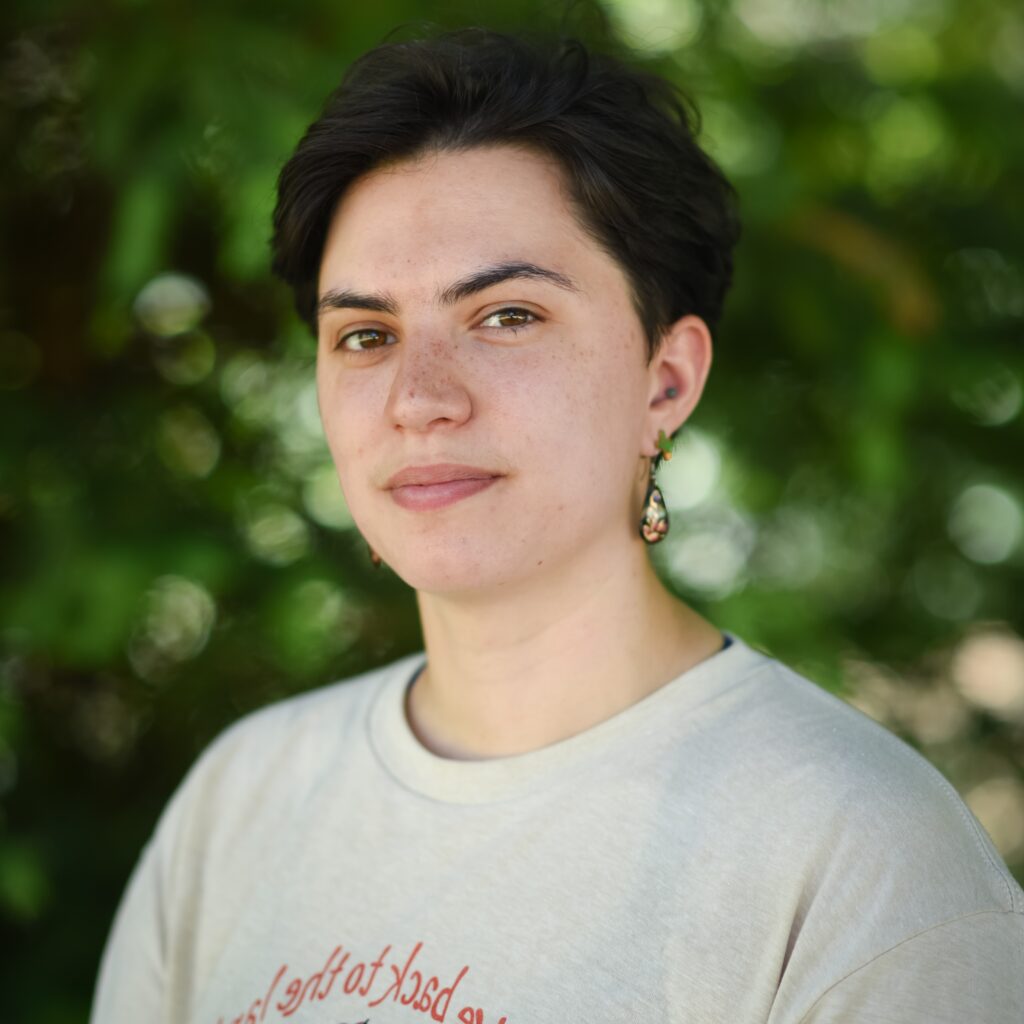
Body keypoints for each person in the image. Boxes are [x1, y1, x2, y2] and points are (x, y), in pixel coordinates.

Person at [91, 27, 1023, 1024]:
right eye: (365, 335)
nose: (418, 398)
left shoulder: (854, 854)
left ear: (665, 379)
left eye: (506, 316)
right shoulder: (242, 801)